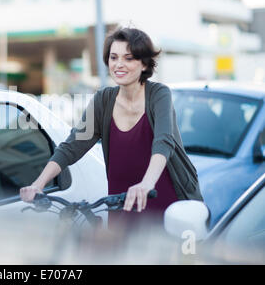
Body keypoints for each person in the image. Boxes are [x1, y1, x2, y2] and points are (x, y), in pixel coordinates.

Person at [20, 27, 204, 228]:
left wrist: (146, 184)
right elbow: (72, 146)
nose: (119, 64)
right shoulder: (103, 100)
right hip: (121, 205)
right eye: (113, 57)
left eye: (128, 58)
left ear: (144, 64)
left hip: (164, 203)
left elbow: (164, 141)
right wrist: (38, 184)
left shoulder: (159, 94)